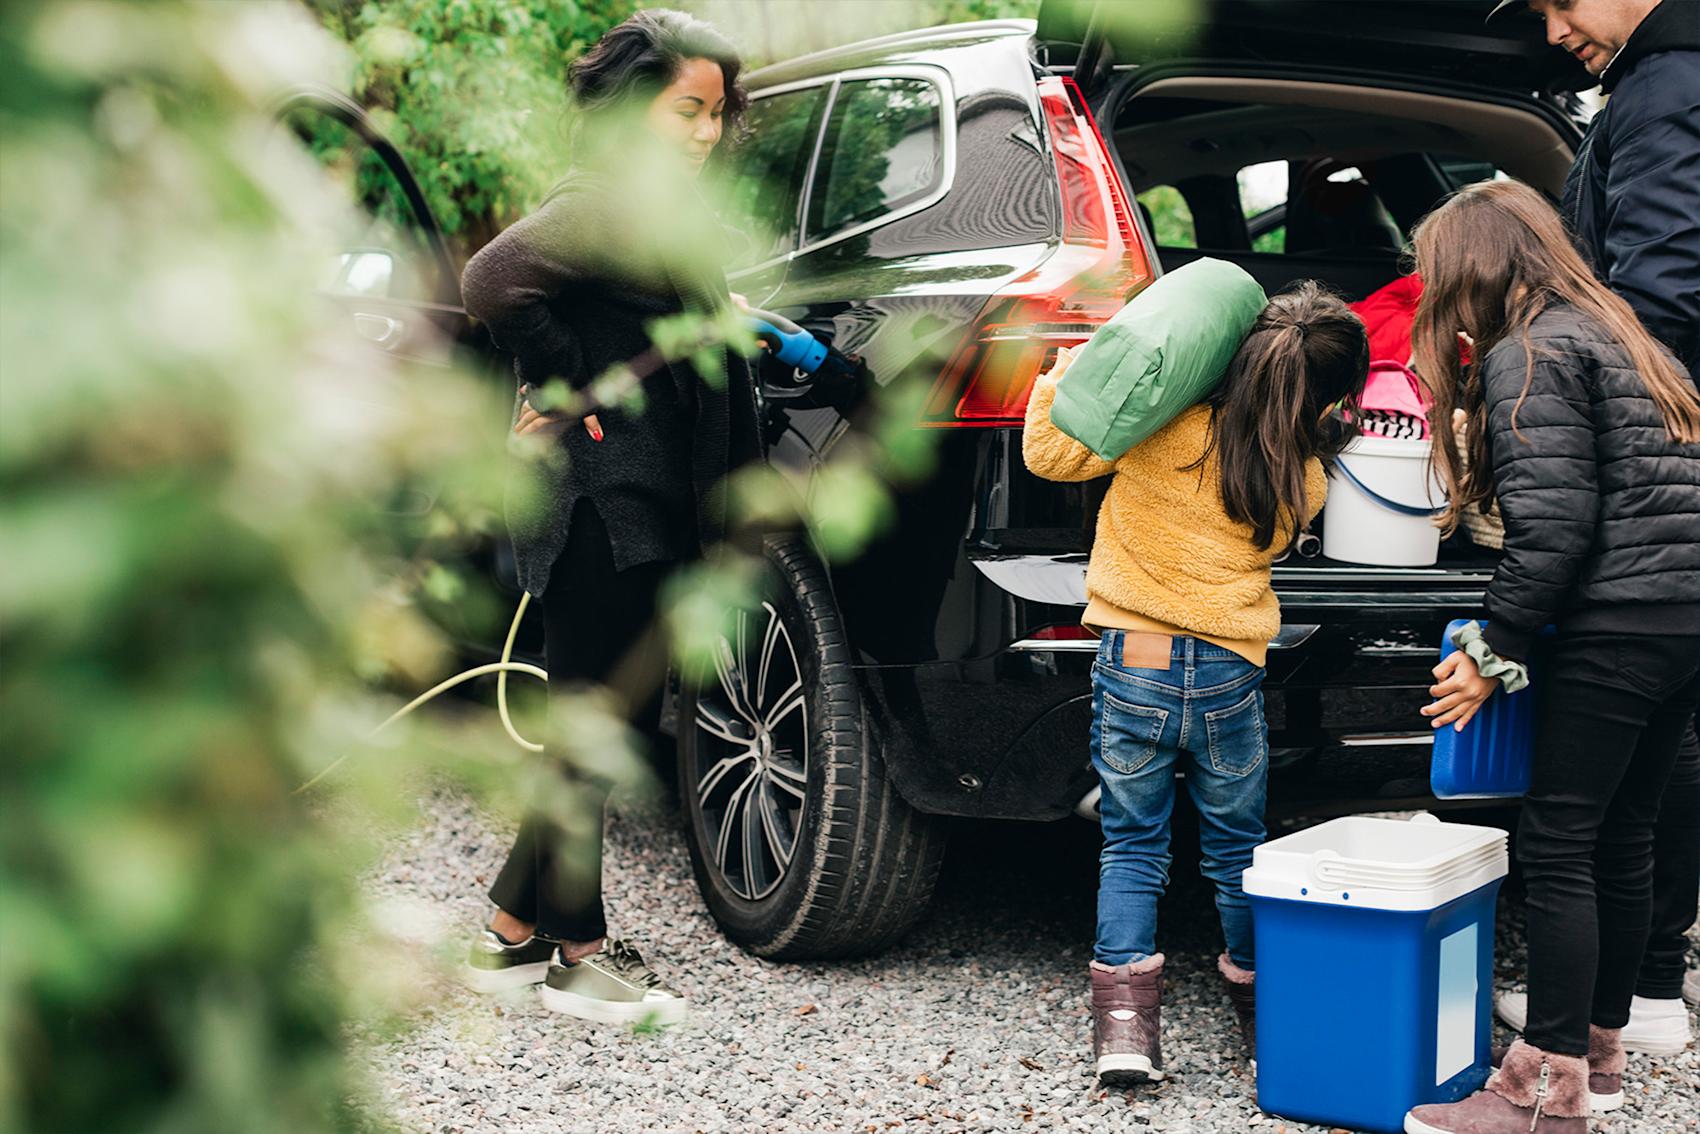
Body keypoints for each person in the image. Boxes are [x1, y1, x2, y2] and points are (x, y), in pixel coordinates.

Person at [454, 9, 761, 1024]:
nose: (703, 133)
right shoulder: (603, 202)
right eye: (685, 110)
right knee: (596, 729)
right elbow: (490, 279)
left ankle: (508, 933)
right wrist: (568, 377)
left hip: (636, 505)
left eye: (716, 115)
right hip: (598, 509)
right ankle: (578, 954)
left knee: (593, 723)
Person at [1402, 180, 1700, 1134]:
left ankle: (1545, 1092)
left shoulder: (1529, 352)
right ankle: (1600, 1053)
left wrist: (1496, 647)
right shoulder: (1621, 328)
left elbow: (1555, 530)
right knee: (1624, 834)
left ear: (1473, 270)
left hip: (1619, 623)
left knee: (1558, 841)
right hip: (1683, 619)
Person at [1023, 282, 1371, 1086]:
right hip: (1227, 673)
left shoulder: (1163, 429)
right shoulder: (1302, 476)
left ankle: (1124, 1031)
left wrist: (1071, 371)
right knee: (1236, 851)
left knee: (1133, 842)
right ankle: (1263, 1015)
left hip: (1137, 658)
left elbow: (1052, 453)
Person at [1489, 0, 1700, 1056]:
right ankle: (1633, 1008)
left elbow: (1659, 292)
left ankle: (1558, 1069)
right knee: (1639, 786)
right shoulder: (1652, 81)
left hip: (1635, 556)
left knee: (1569, 823)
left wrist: (1495, 642)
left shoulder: (1664, 86)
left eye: (1554, 2)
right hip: (1679, 564)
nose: (1550, 28)